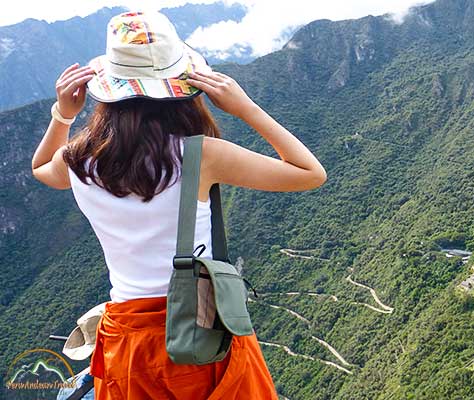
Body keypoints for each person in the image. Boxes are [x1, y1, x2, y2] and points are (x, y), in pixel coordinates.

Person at [31, 10, 326, 399]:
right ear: (183, 88)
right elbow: (310, 173)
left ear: (110, 89)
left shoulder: (77, 160)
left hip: (129, 340)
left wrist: (63, 115)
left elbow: (40, 168)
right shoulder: (201, 156)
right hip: (199, 334)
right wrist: (245, 107)